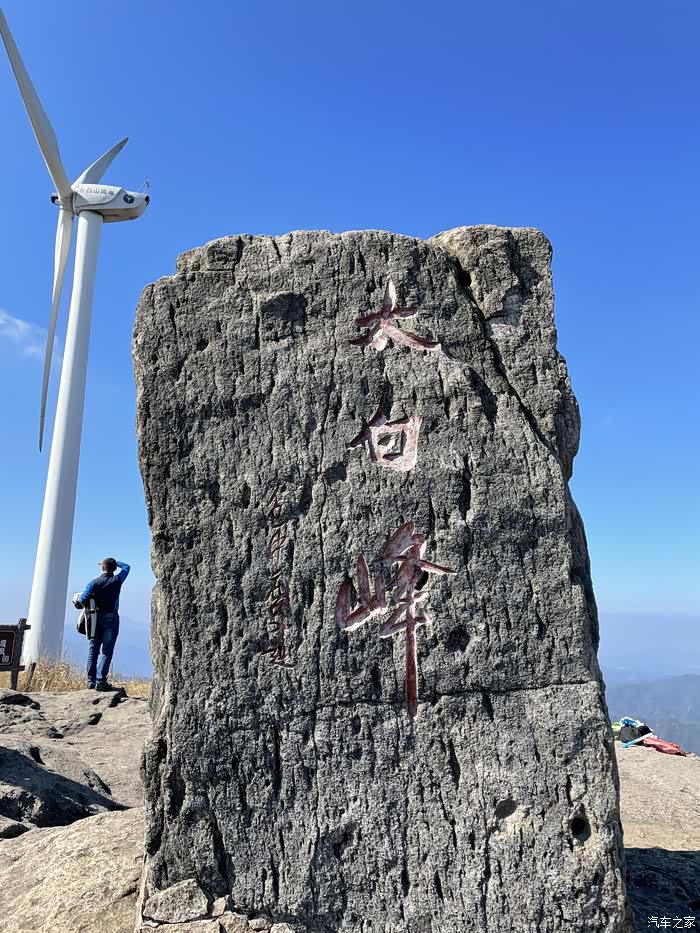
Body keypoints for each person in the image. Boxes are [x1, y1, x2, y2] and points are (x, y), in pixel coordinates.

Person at [78, 557, 130, 690]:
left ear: (102, 568)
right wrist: (115, 562)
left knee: (93, 650)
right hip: (111, 617)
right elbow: (126, 567)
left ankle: (90, 681)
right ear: (114, 569)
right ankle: (101, 681)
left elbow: (81, 600)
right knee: (107, 651)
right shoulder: (117, 580)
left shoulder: (93, 583)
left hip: (95, 618)